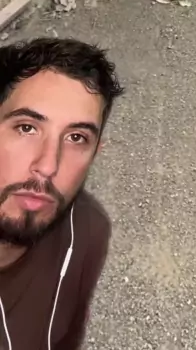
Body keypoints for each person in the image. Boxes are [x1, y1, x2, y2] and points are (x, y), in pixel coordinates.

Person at [0, 37, 124, 350]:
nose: (48, 166)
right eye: (27, 128)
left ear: (95, 152)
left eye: (76, 138)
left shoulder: (87, 230)